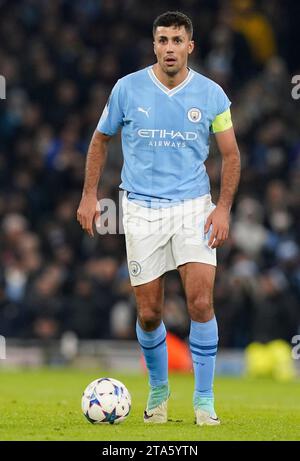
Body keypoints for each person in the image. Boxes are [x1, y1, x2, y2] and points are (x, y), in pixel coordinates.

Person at [77, 11, 241, 426]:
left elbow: (231, 155)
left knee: (201, 302)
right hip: (140, 209)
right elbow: (100, 140)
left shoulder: (211, 94)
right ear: (154, 45)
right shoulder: (127, 89)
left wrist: (221, 208)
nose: (169, 48)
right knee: (149, 312)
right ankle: (159, 393)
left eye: (177, 40)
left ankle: (204, 401)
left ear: (191, 46)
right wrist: (89, 195)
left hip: (193, 207)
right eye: (162, 40)